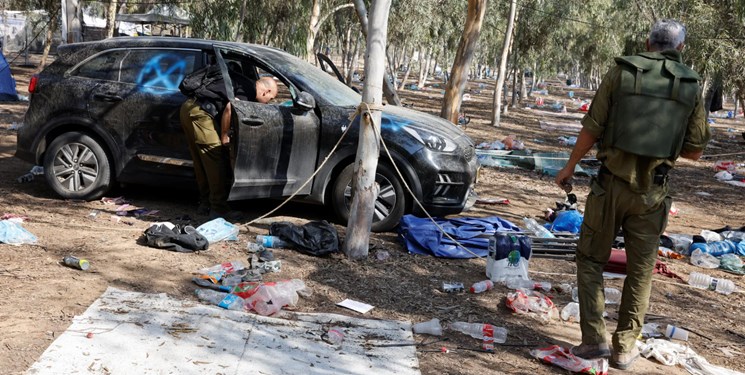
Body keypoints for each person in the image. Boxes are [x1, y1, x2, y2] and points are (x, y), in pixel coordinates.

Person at [554, 19, 710, 370]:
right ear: (680, 48)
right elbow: (696, 151)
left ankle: (594, 340)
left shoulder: (620, 73)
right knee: (640, 271)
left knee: (591, 260)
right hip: (652, 194)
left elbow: (591, 128)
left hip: (609, 186)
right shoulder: (690, 85)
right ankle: (625, 346)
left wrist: (569, 168)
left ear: (647, 42)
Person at [179, 62, 277, 219]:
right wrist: (224, 135)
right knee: (215, 159)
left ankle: (205, 204)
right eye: (270, 98)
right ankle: (219, 208)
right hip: (201, 114)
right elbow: (230, 108)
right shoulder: (250, 90)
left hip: (188, 108)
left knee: (202, 161)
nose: (267, 102)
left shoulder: (242, 81)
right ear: (266, 91)